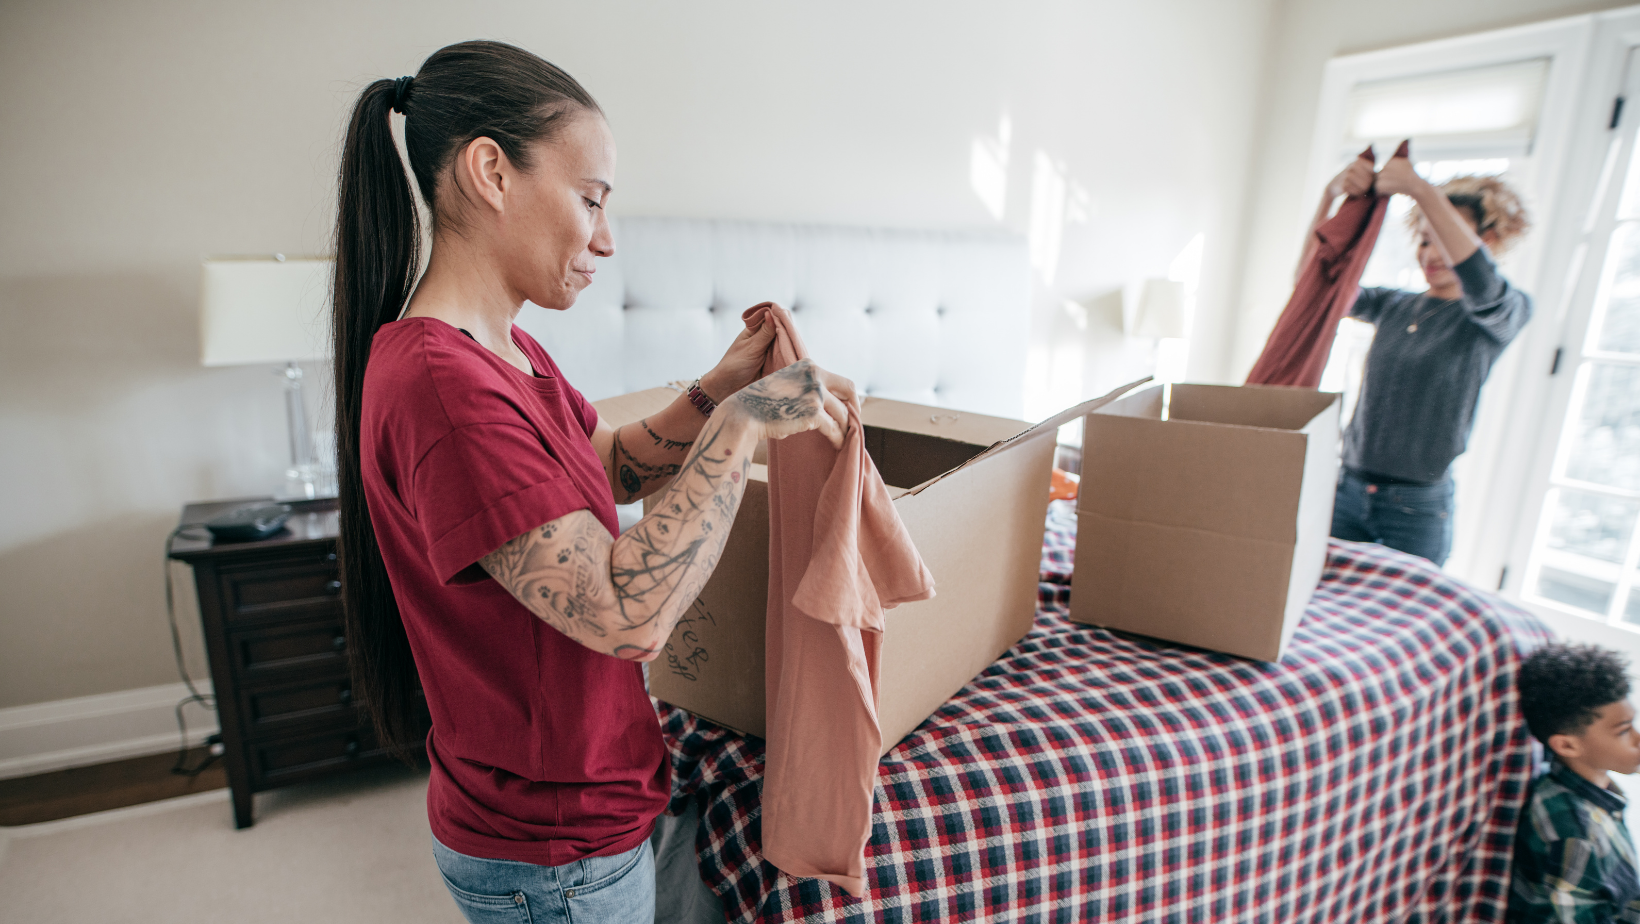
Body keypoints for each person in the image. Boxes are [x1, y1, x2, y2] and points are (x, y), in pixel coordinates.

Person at [329, 41, 857, 923]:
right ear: (492, 172)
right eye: (591, 200)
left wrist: (716, 389)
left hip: (583, 811)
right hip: (551, 851)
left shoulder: (504, 350)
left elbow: (605, 464)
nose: (606, 240)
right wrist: (747, 423)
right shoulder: (442, 387)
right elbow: (627, 615)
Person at [1302, 154, 1533, 567]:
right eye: (1424, 240)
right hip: (1348, 491)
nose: (1429, 253)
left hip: (1416, 509)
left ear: (1490, 241)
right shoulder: (1393, 305)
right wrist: (1329, 196)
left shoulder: (1500, 314)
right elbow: (1314, 284)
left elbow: (1481, 280)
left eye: (1444, 239)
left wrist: (1421, 190)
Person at [1511, 642, 1640, 922]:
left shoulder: (1597, 795)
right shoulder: (1571, 831)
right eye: (1624, 731)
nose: (1638, 739)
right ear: (1567, 746)